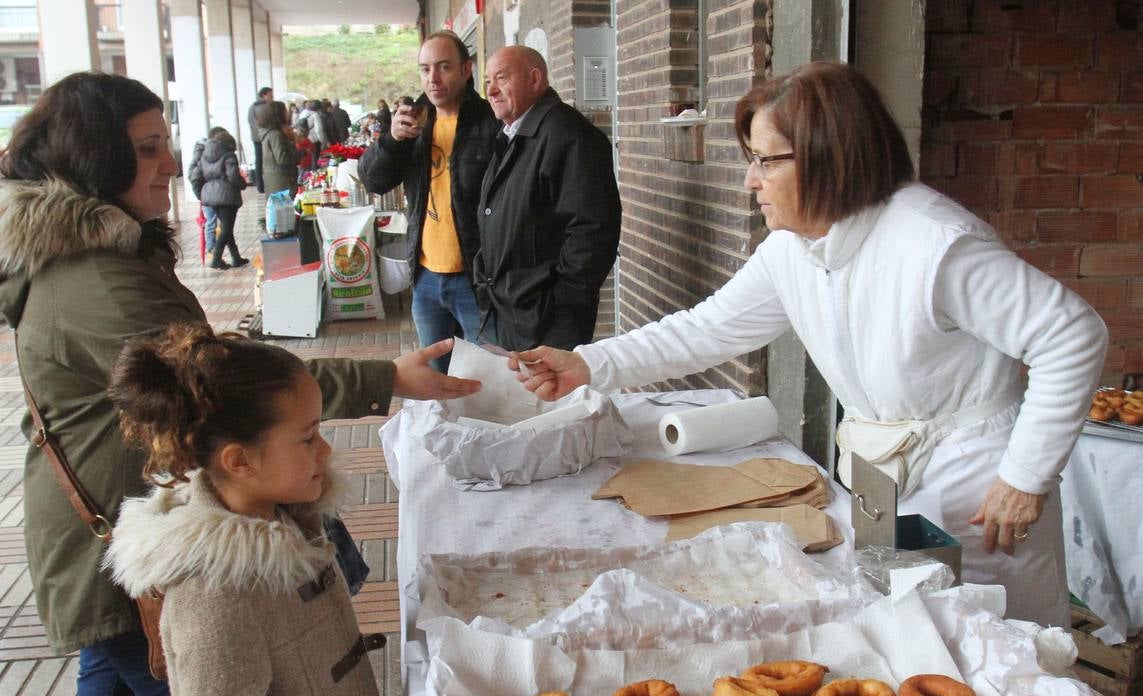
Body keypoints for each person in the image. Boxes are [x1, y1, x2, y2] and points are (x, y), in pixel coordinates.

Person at [0, 71, 479, 696]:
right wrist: (383, 378)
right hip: (122, 530)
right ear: (94, 157)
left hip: (111, 519)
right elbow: (223, 387)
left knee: (110, 695)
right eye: (146, 148)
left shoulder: (102, 251)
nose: (169, 164)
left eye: (164, 142)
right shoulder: (96, 275)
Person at [511, 61, 1107, 629]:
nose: (751, 181)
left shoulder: (935, 244)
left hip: (980, 487)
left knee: (1007, 649)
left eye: (766, 161)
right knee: (914, 638)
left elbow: (1072, 335)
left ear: (829, 157)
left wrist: (1025, 476)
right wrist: (589, 363)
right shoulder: (793, 249)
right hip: (889, 471)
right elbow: (707, 328)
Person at [105, 324, 416, 696]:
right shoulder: (217, 591)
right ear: (240, 460)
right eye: (308, 438)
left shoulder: (284, 520)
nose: (326, 452)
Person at [359, 30, 500, 372]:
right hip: (425, 279)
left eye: (444, 67)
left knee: (488, 376)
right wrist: (392, 142)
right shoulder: (415, 125)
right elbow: (374, 181)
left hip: (476, 280)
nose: (432, 78)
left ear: (466, 69)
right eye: (425, 69)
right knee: (436, 377)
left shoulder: (491, 122)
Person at [474, 45, 621, 352]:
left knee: (545, 387)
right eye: (487, 81)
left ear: (534, 79)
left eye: (501, 78)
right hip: (509, 312)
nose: (491, 90)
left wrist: (559, 305)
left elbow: (593, 232)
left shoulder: (570, 135)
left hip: (546, 322)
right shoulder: (511, 134)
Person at [194, 126, 249, 270]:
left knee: (226, 227)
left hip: (210, 196)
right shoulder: (229, 154)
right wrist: (243, 184)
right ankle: (216, 259)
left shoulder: (204, 155)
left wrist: (201, 193)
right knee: (226, 227)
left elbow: (195, 175)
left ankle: (236, 257)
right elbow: (233, 175)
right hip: (227, 195)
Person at [258, 100, 302, 196]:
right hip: (281, 180)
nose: (287, 114)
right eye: (285, 111)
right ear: (278, 114)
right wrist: (300, 153)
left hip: (275, 179)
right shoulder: (276, 135)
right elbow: (282, 158)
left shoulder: (269, 132)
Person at [186, 136, 219, 260]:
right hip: (208, 195)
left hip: (209, 193)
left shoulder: (199, 155)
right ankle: (211, 250)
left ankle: (213, 250)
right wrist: (201, 195)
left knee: (213, 222)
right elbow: (194, 177)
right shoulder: (201, 156)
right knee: (211, 222)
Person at [247, 86, 272, 193]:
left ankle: (260, 185)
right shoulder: (266, 107)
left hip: (255, 138)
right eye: (270, 95)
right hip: (264, 137)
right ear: (264, 95)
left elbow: (250, 122)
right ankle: (268, 183)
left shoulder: (252, 107)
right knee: (268, 161)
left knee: (258, 161)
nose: (272, 97)